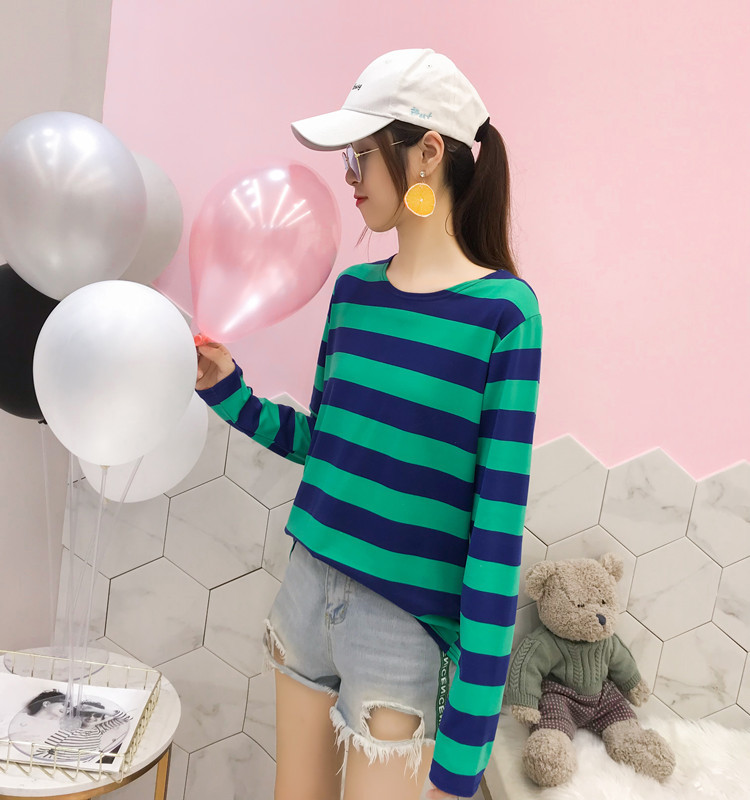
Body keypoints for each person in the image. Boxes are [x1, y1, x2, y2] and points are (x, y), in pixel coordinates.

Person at [195, 48, 542, 800]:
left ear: (427, 153)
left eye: (360, 156)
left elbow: (496, 530)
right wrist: (228, 392)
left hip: (402, 627)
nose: (349, 179)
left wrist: (469, 741)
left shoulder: (505, 314)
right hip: (305, 588)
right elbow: (326, 444)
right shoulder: (354, 293)